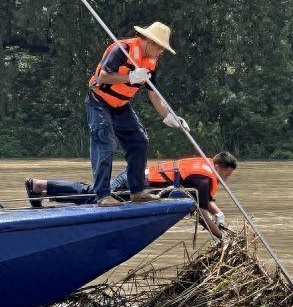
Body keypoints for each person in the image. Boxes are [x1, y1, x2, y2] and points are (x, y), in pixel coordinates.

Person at [82, 21, 190, 207]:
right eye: (161, 47)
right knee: (106, 142)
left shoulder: (152, 63)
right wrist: (130, 77)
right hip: (99, 101)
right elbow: (102, 77)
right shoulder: (121, 49)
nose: (162, 52)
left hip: (121, 105)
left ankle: (137, 191)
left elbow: (153, 94)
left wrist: (168, 116)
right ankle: (102, 195)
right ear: (150, 42)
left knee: (140, 140)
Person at [26, 152, 237, 239]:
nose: (225, 179)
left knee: (91, 195)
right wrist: (220, 236)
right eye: (225, 174)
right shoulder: (204, 178)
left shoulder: (202, 169)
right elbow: (201, 210)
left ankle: (44, 191)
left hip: (135, 179)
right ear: (218, 166)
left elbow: (206, 201)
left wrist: (219, 215)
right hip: (132, 181)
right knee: (93, 196)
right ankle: (39, 185)